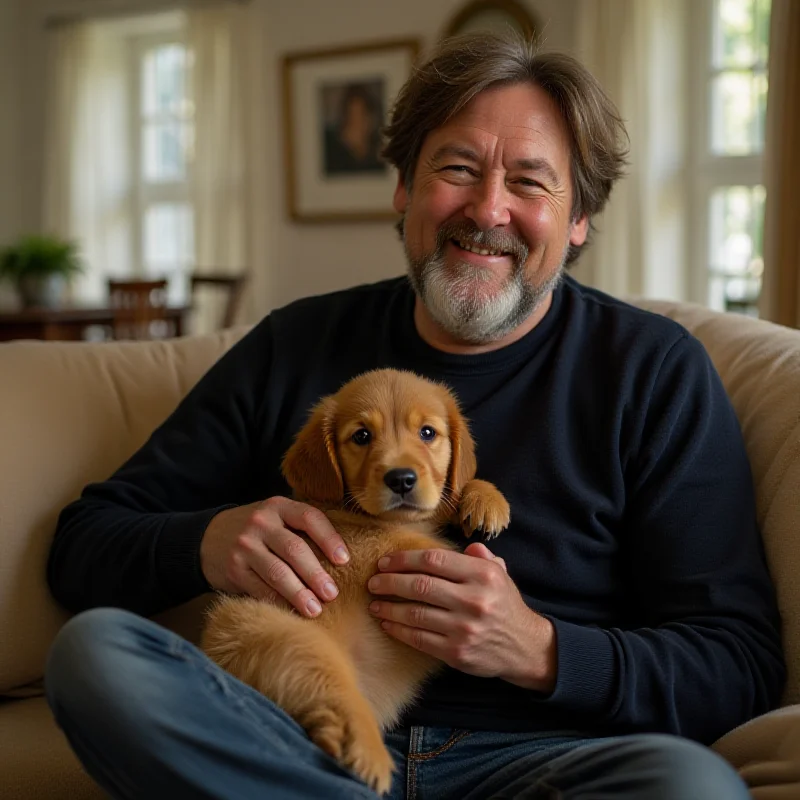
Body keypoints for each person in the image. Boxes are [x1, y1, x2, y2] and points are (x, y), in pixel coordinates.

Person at [44, 32, 784, 800]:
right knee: (97, 656)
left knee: (690, 786)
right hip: (296, 742)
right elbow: (84, 545)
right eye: (457, 169)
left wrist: (539, 649)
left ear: (579, 220)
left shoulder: (652, 371)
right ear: (404, 188)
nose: (487, 209)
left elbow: (738, 664)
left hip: (537, 764)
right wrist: (206, 541)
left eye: (530, 183)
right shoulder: (294, 347)